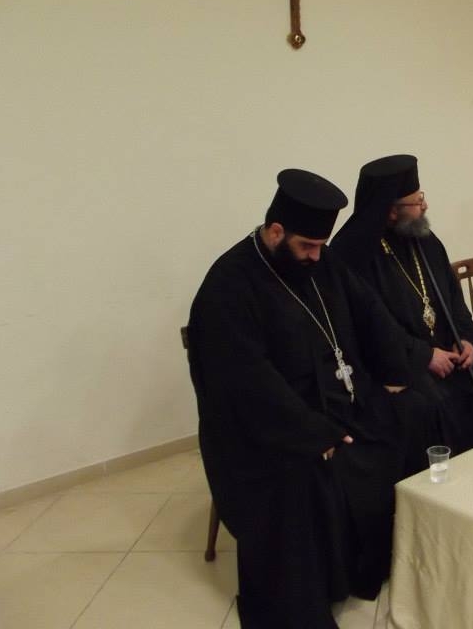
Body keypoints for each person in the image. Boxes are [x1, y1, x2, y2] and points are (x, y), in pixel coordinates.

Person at [186, 168, 412, 629]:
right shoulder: (228, 286)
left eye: (321, 246)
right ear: (275, 232)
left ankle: (380, 564)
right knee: (303, 479)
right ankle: (313, 591)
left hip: (333, 407)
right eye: (307, 246)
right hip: (262, 433)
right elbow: (245, 383)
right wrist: (312, 432)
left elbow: (369, 310)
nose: (316, 257)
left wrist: (396, 370)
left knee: (412, 415)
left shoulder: (315, 261)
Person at [330, 155, 473, 472]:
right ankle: (445, 486)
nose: (424, 206)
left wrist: (465, 339)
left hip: (444, 354)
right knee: (433, 405)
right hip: (396, 364)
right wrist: (424, 355)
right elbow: (369, 328)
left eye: (422, 197)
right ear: (390, 210)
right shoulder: (353, 254)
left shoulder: (423, 239)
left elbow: (453, 298)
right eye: (416, 202)